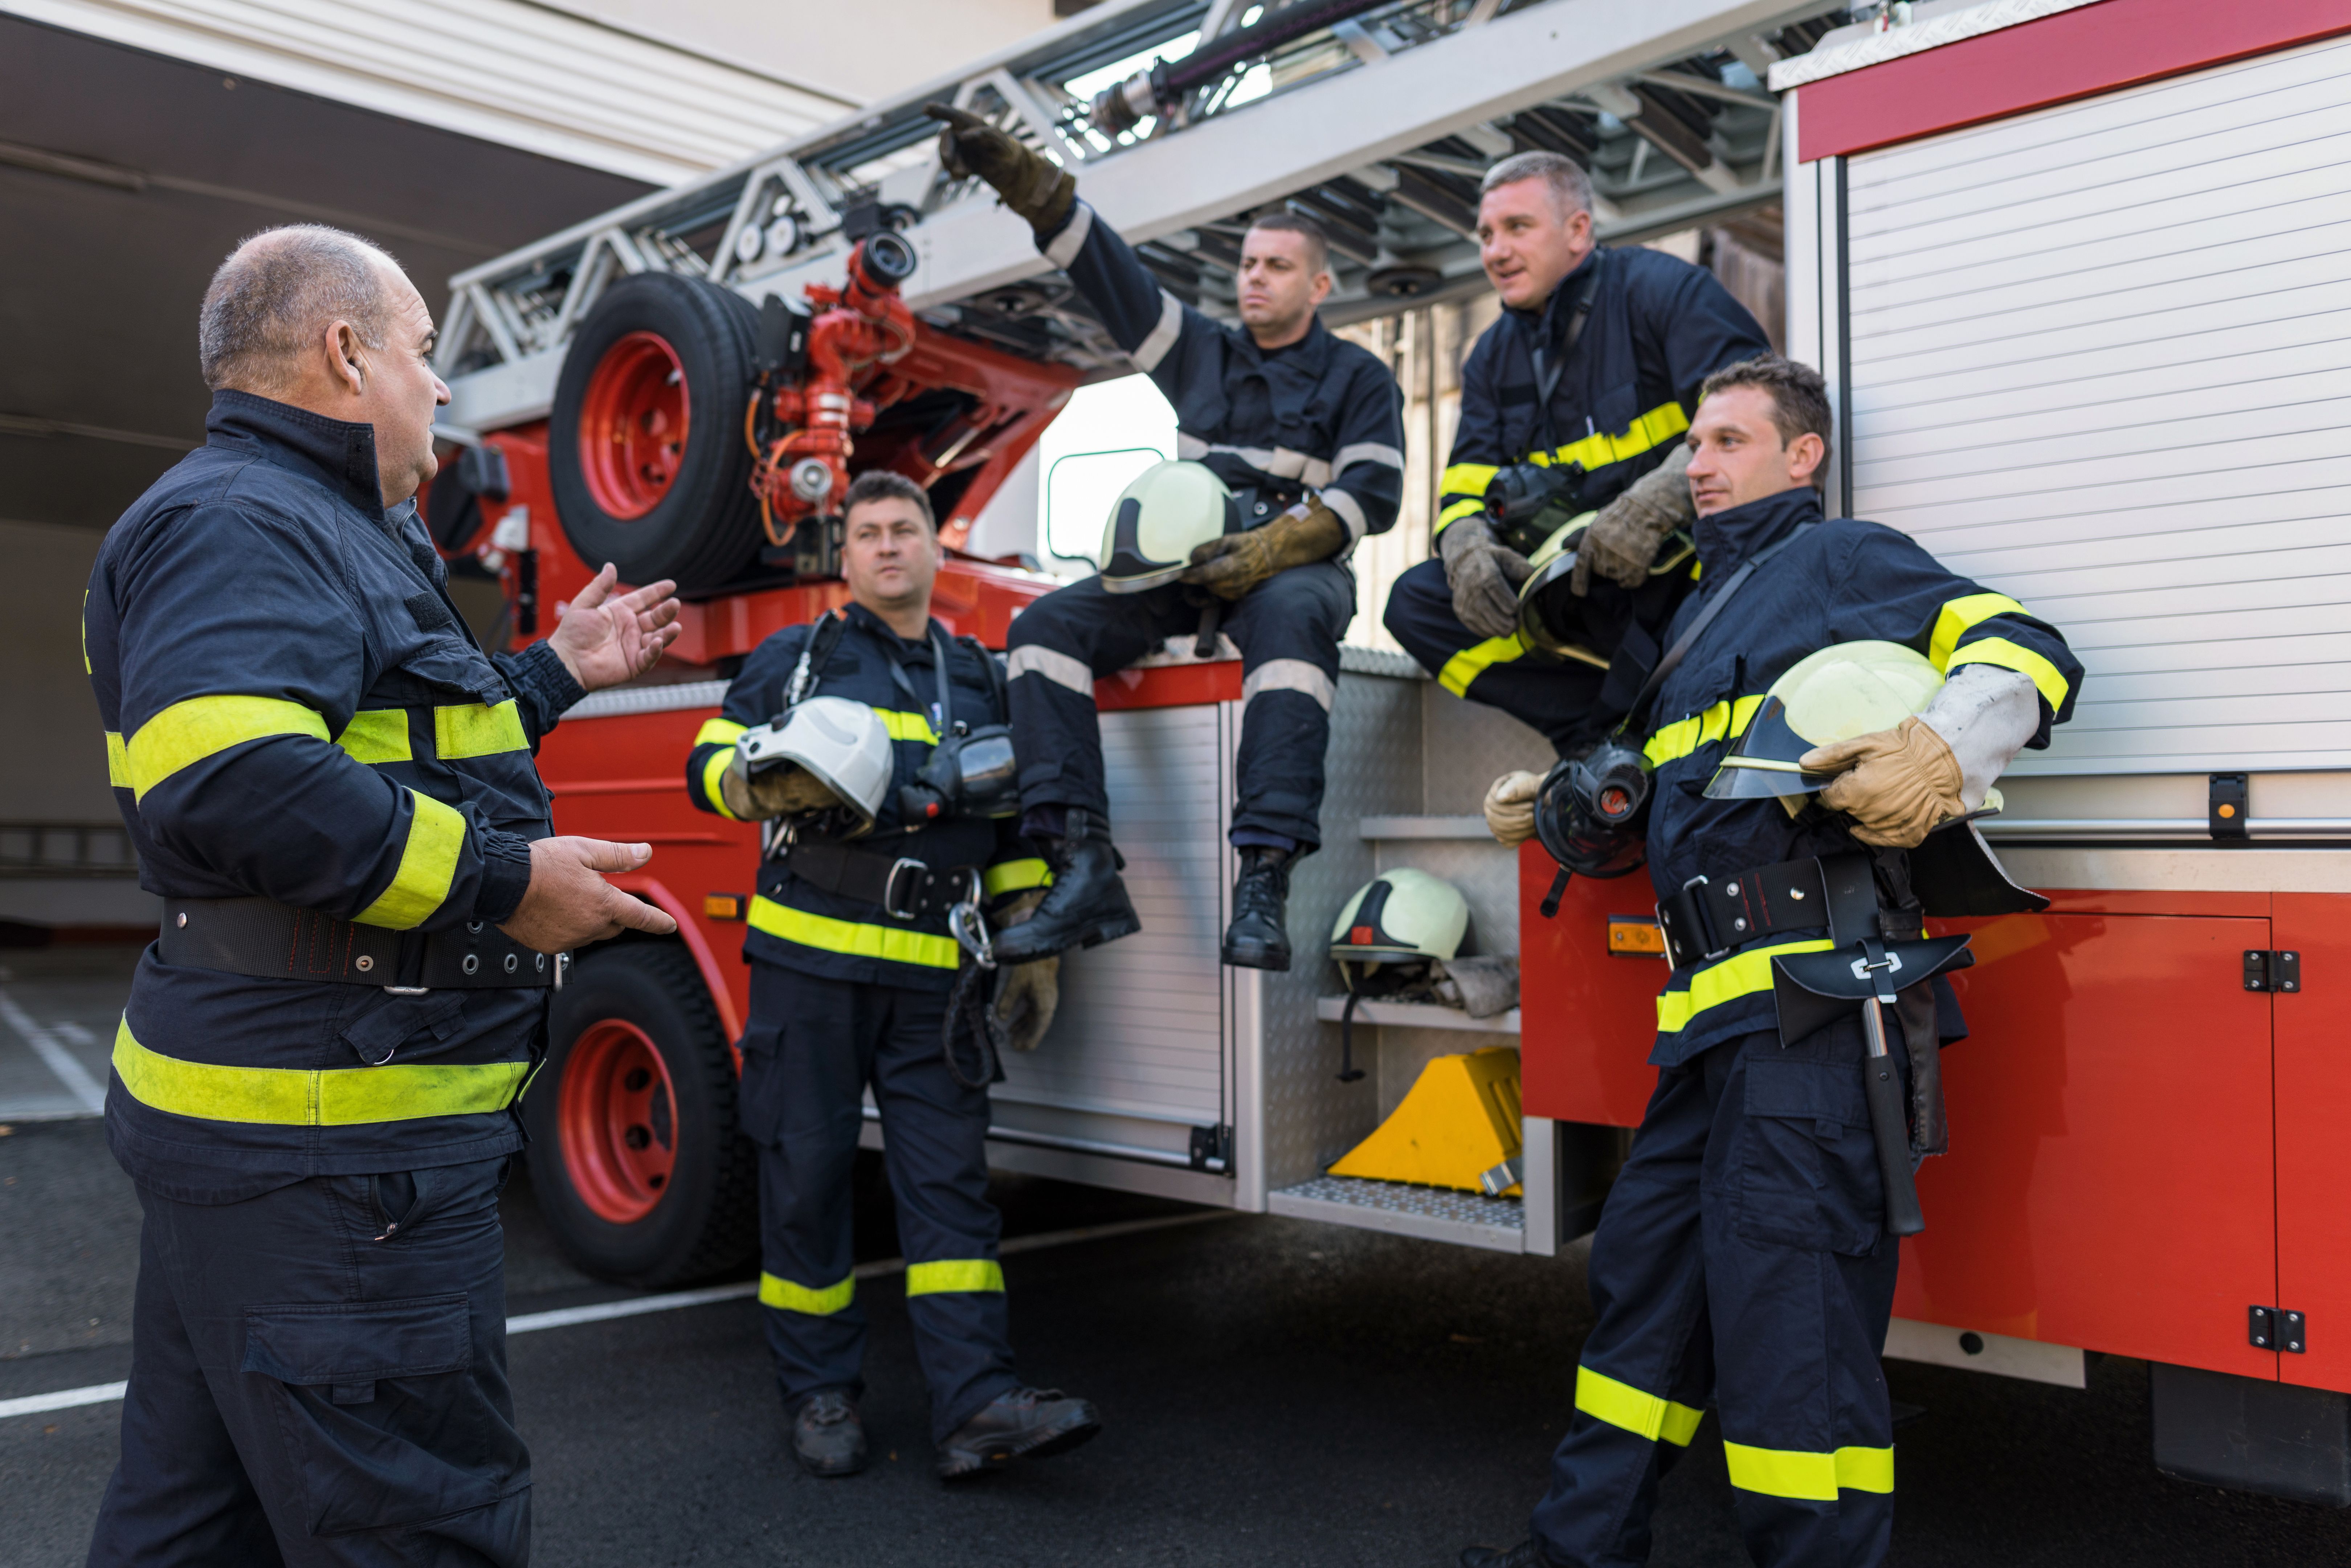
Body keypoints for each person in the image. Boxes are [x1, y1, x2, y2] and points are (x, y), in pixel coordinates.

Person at [84, 225, 685, 1567]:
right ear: (346, 355)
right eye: (426, 353)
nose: (446, 389)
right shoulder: (246, 520)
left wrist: (553, 674)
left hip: (289, 1148)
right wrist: (505, 885)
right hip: (335, 1164)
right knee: (415, 1531)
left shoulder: (318, 524)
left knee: (195, 1527)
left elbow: (389, 749)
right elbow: (236, 779)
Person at [1460, 356, 2082, 1568]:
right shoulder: (1695, 620)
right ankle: (1575, 1552)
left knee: (1789, 1338)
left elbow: (2026, 646)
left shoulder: (1837, 561)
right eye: (1692, 444)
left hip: (1811, 1023)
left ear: (1799, 458)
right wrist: (1570, 804)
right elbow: (1671, 801)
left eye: (1726, 442)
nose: (1694, 465)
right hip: (1710, 1030)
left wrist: (1945, 753)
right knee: (1643, 1302)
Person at [681, 470, 1097, 1482]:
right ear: (847, 556)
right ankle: (820, 1394)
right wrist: (752, 775)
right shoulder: (796, 659)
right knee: (806, 1183)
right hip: (809, 969)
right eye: (865, 533)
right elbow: (704, 766)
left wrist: (1029, 936)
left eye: (902, 530)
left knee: (951, 1196)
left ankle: (975, 1406)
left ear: (932, 548)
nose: (884, 547)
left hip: (934, 985)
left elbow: (1005, 831)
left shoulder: (976, 673)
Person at [925, 103, 1407, 972]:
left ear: (1319, 286)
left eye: (1277, 267)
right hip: (1180, 571)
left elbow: (1373, 493)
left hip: (1289, 571)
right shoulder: (1200, 353)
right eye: (1249, 264)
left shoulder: (1358, 377)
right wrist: (1032, 189)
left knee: (1296, 623)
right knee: (1043, 632)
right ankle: (1079, 866)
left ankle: (1262, 879)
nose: (1254, 278)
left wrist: (1276, 548)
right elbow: (1112, 279)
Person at [1378, 150, 1772, 847]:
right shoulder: (1493, 354)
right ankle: (1588, 733)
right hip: (1576, 590)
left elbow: (1757, 406)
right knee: (1415, 600)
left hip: (1682, 583)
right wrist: (1464, 544)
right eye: (1486, 235)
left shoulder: (1662, 291)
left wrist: (1657, 503)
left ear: (1578, 231)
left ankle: (1656, 726)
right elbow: (1464, 480)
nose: (1496, 251)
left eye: (1517, 227)